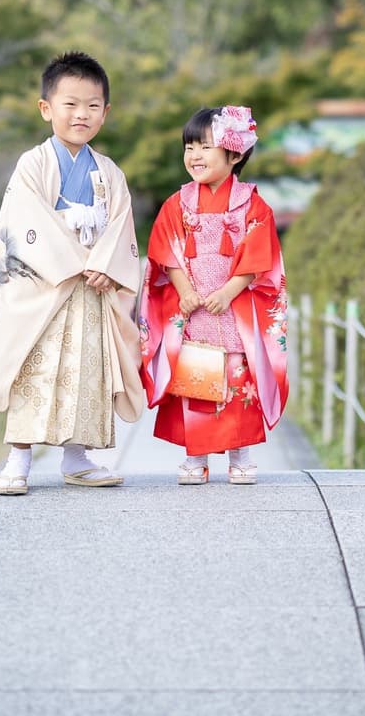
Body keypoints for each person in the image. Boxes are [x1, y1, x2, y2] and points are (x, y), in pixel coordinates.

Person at [0, 51, 145, 496]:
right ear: (46, 108)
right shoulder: (33, 164)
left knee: (88, 371)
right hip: (45, 288)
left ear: (106, 112)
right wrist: (81, 263)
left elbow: (121, 225)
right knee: (33, 368)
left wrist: (106, 266)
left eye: (92, 105)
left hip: (91, 291)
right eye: (70, 103)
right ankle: (19, 458)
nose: (81, 114)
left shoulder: (109, 172)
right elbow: (25, 221)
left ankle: (77, 457)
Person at [139, 105, 289, 485]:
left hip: (233, 306)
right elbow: (165, 250)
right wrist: (184, 290)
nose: (195, 156)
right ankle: (196, 457)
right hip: (193, 310)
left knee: (238, 382)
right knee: (197, 381)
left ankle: (240, 455)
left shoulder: (252, 204)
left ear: (235, 154)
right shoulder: (178, 203)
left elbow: (260, 255)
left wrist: (229, 290)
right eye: (189, 147)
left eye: (205, 147)